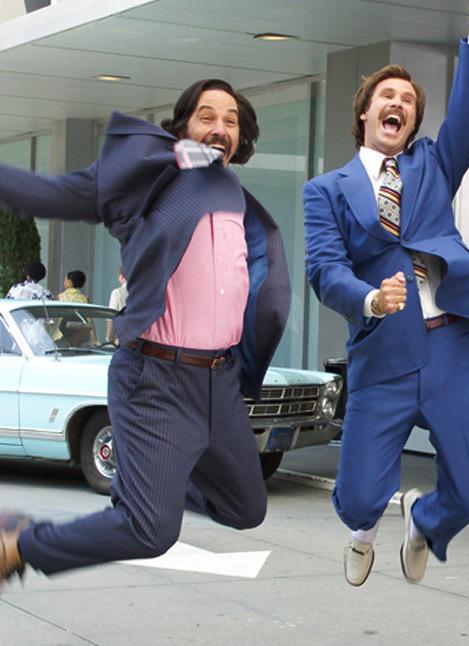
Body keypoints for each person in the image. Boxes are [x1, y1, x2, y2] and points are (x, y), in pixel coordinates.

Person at [0, 78, 290, 591]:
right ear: (182, 127)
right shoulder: (152, 180)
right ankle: (23, 543)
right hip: (155, 376)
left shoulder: (235, 195)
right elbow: (58, 193)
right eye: (206, 116)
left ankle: (151, 489)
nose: (220, 128)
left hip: (218, 381)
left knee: (246, 507)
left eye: (230, 120)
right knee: (150, 531)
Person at [303, 0, 469, 589]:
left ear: (414, 121)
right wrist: (370, 300)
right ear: (365, 112)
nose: (397, 103)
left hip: (450, 349)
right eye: (386, 96)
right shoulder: (326, 190)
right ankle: (364, 529)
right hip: (382, 350)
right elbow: (324, 269)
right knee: (357, 498)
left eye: (409, 101)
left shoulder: (434, 166)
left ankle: (422, 522)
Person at [107, 266, 129, 343]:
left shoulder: (117, 292)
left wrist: (109, 338)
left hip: (121, 338)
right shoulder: (141, 292)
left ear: (122, 277)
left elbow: (111, 316)